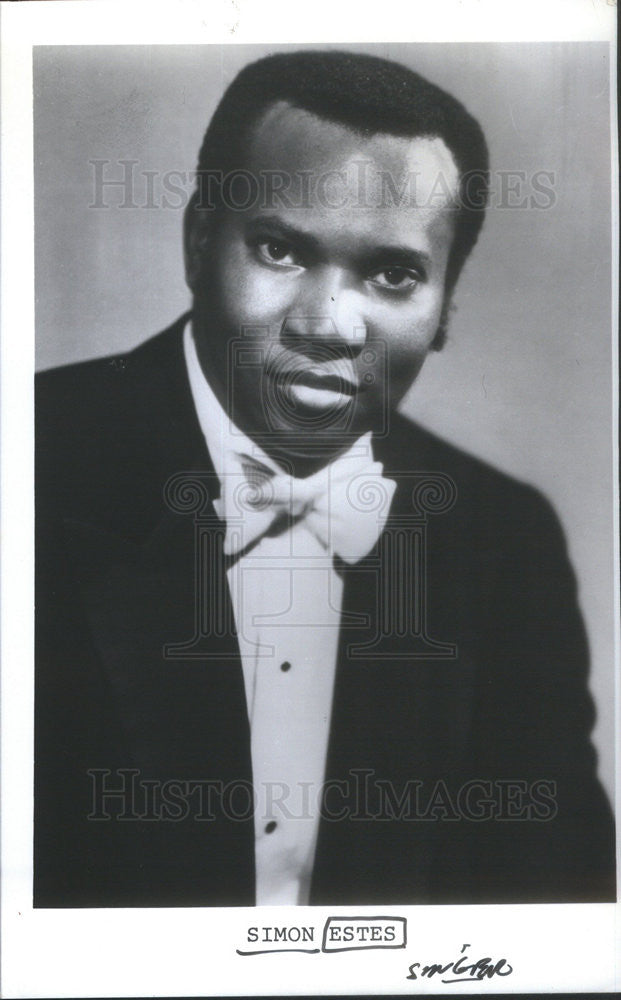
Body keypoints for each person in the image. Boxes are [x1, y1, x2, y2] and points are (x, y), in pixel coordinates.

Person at [35, 49, 615, 907]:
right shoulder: (32, 460)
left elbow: (556, 904)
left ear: (445, 306)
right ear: (199, 240)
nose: (327, 325)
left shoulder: (501, 539)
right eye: (278, 249)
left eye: (392, 274)